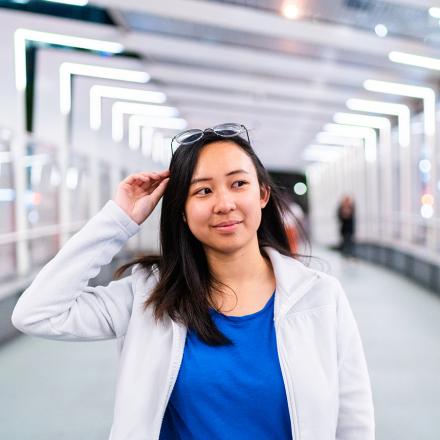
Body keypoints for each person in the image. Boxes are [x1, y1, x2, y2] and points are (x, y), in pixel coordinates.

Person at [11, 123, 375, 439]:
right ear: (182, 212)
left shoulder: (319, 296)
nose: (224, 203)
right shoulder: (149, 295)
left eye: (238, 184)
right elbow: (37, 312)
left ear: (262, 194)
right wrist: (120, 220)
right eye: (203, 191)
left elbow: (353, 420)